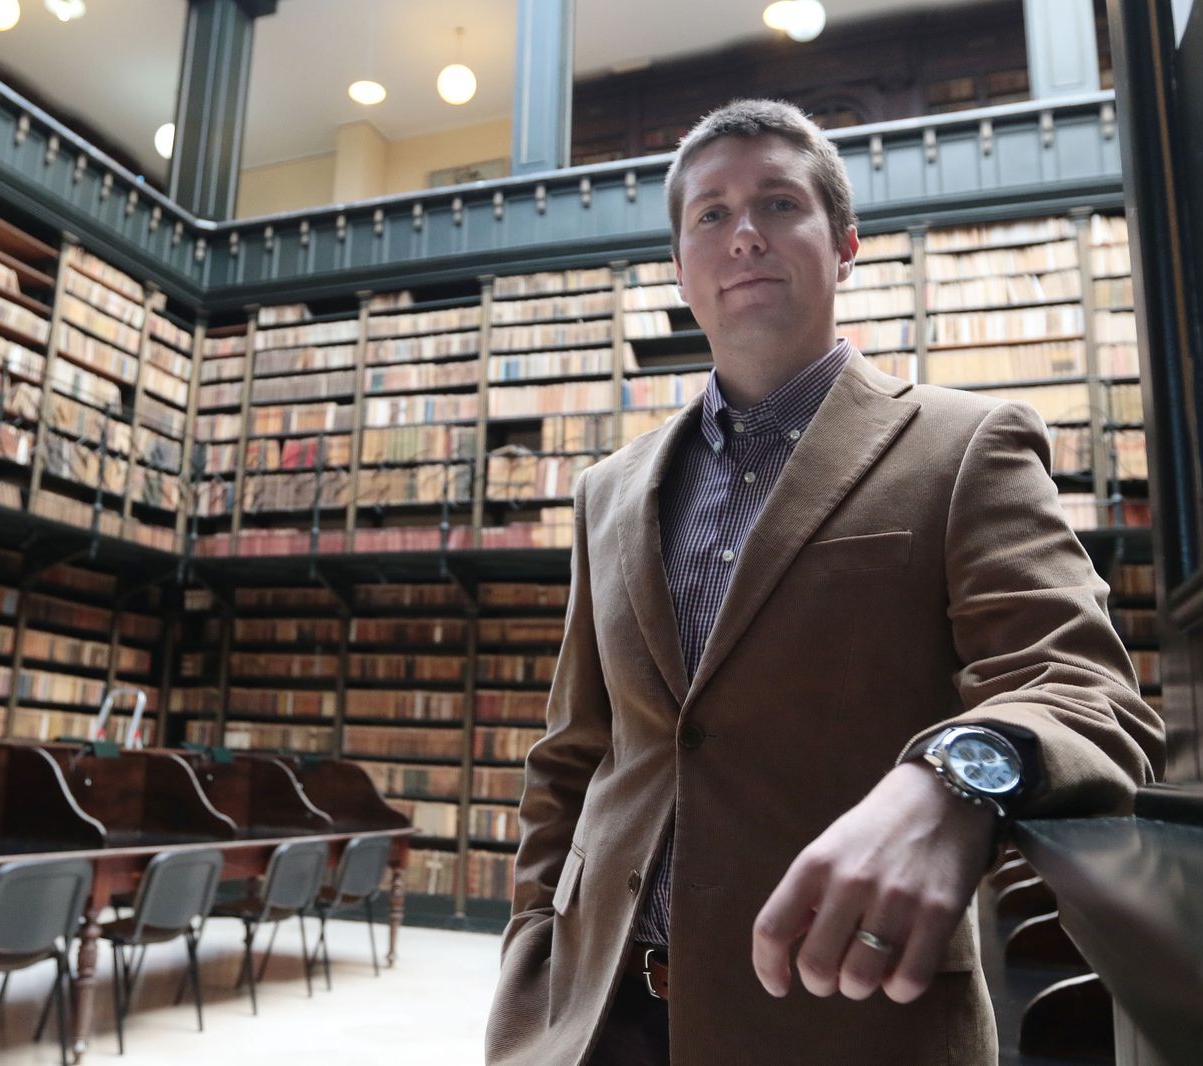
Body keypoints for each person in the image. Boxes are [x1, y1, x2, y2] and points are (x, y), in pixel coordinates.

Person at [484, 98, 1164, 1066]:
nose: (745, 233)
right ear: (680, 268)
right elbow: (574, 754)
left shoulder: (965, 444)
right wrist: (531, 949)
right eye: (709, 215)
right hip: (592, 1014)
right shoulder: (606, 489)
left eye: (778, 203)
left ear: (844, 244)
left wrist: (947, 781)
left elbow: (1090, 694)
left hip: (842, 1014)